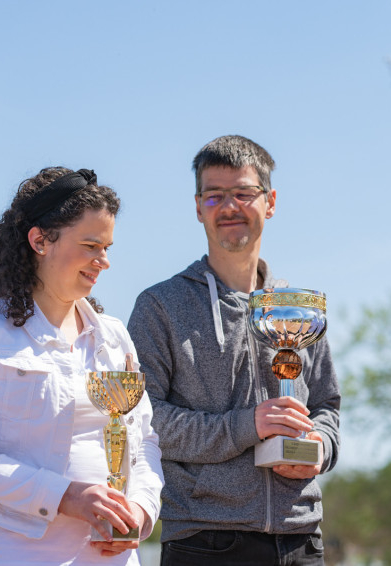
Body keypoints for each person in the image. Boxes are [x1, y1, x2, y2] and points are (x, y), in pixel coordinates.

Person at [0, 167, 164, 565]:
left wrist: (140, 510)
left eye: (107, 247)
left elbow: (144, 443)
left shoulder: (115, 337)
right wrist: (64, 496)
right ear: (40, 240)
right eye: (90, 245)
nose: (103, 261)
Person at [127, 135, 340, 565]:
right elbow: (143, 419)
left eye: (243, 193)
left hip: (302, 538)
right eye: (214, 195)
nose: (229, 207)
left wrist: (319, 447)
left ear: (270, 201)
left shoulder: (297, 312)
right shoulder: (161, 306)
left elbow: (326, 406)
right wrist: (248, 426)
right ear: (198, 206)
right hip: (205, 540)